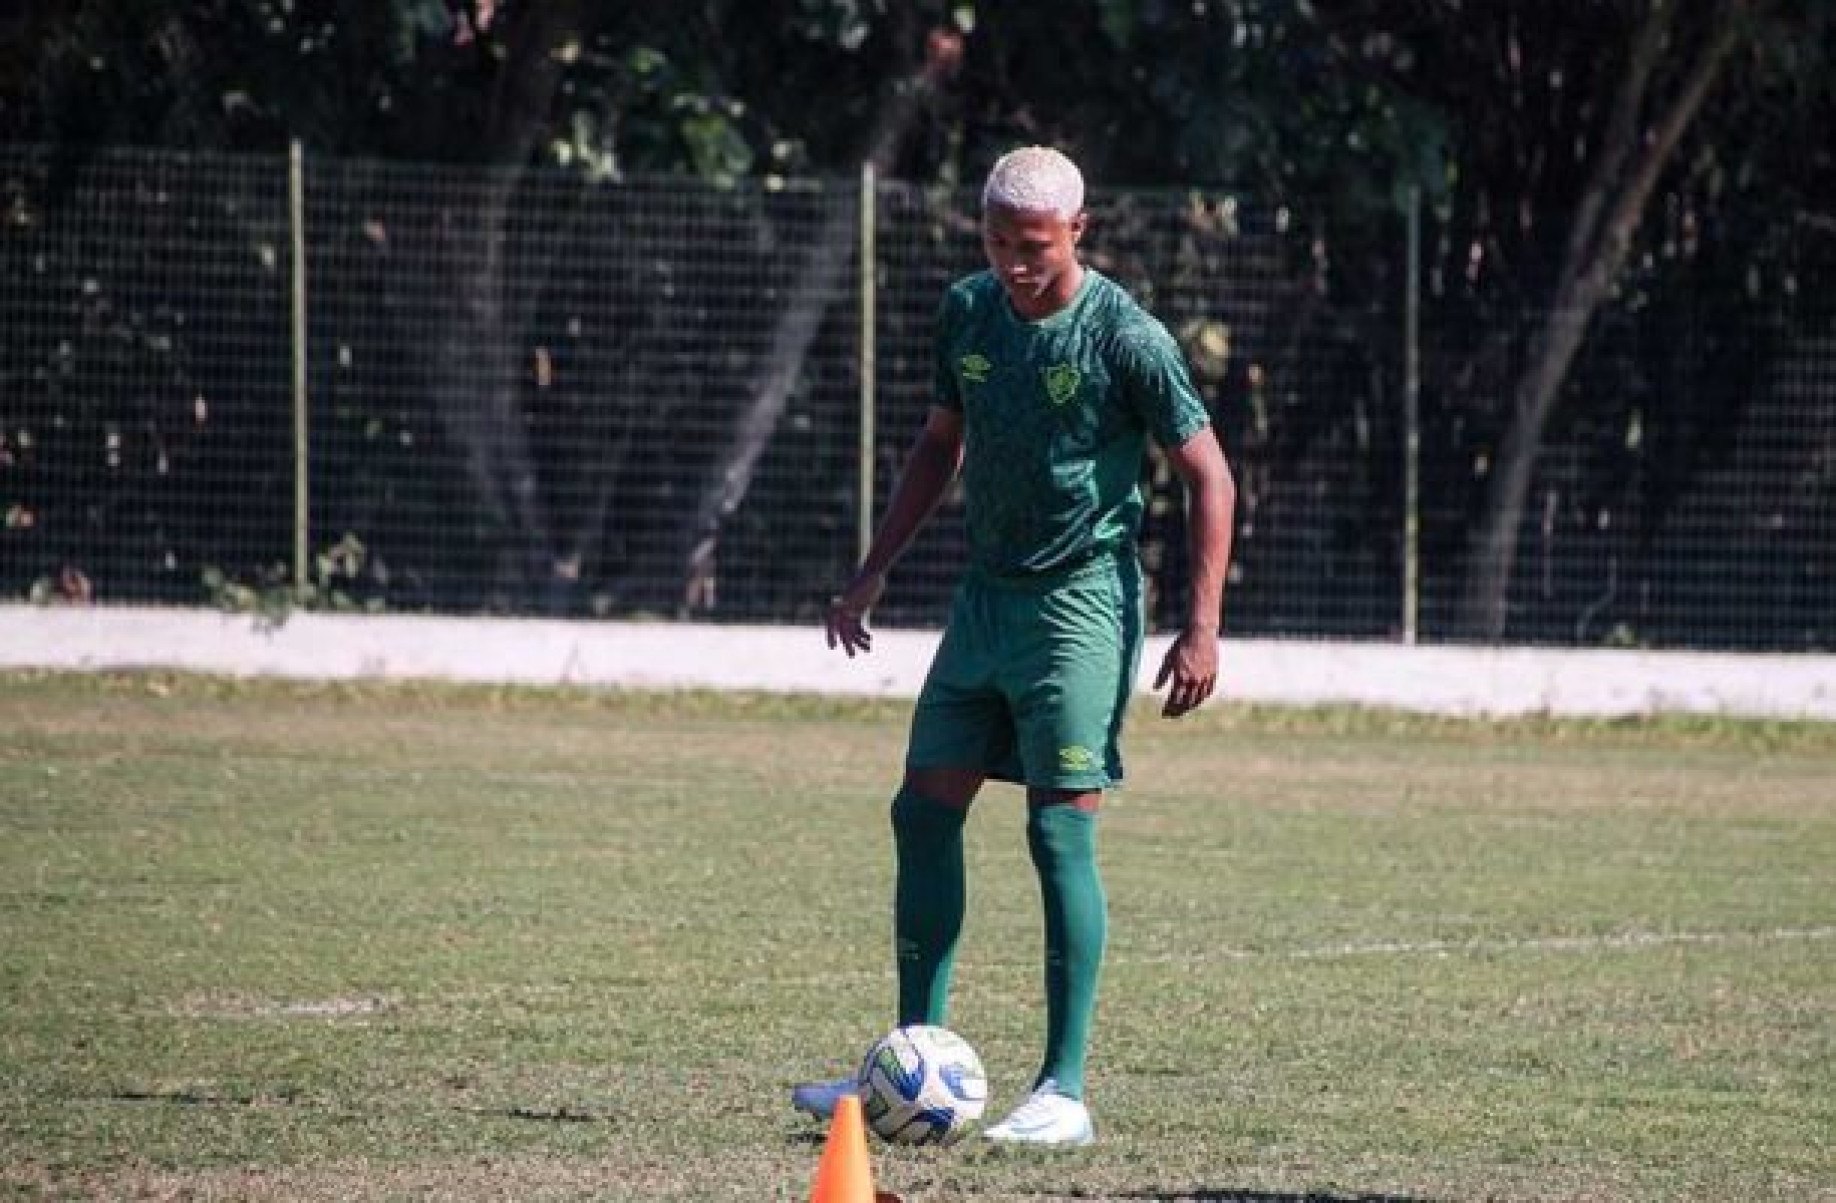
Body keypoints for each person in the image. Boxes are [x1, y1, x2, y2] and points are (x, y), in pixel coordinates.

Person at [792, 145, 1237, 1147]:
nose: (1014, 263)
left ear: (1078, 231)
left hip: (1082, 606)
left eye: (1033, 245)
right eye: (997, 241)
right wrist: (873, 569)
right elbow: (940, 442)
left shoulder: (1128, 336)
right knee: (921, 810)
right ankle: (911, 1061)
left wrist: (1201, 627)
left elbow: (1210, 476)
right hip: (984, 604)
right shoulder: (968, 312)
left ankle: (1064, 1091)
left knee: (1057, 832)